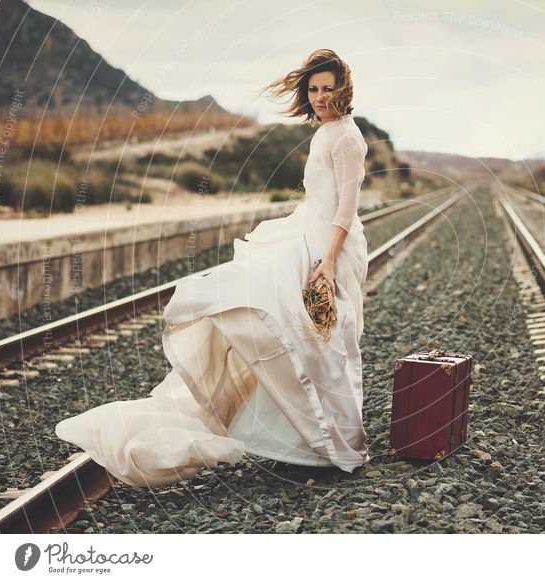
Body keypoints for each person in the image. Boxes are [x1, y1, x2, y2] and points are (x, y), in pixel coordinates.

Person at [55, 49, 370, 487]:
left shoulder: (348, 139)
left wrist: (328, 261)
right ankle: (310, 437)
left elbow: (346, 209)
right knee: (296, 328)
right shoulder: (325, 132)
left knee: (324, 336)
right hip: (308, 235)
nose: (319, 96)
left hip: (331, 245)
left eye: (327, 89)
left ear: (343, 90)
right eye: (313, 89)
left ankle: (330, 438)